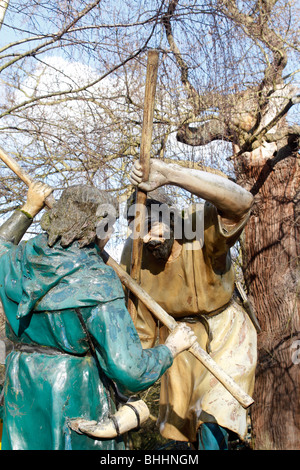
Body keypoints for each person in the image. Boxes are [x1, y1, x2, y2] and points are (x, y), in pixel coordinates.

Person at [0, 181, 197, 450]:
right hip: (73, 393)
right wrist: (171, 349)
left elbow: (2, 243)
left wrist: (28, 209)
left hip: (21, 385)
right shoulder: (97, 282)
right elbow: (129, 370)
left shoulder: (19, 258)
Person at [120, 159, 258, 450]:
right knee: (183, 432)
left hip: (226, 334)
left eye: (152, 226)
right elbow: (141, 327)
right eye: (138, 231)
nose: (147, 238)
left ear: (170, 219)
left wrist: (169, 174)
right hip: (180, 342)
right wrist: (132, 378)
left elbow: (242, 203)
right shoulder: (134, 257)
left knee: (215, 416)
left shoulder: (198, 227)